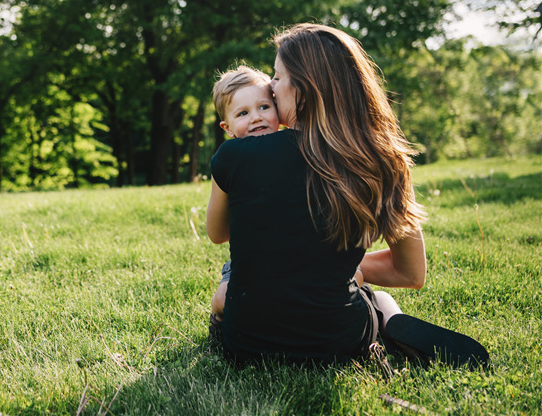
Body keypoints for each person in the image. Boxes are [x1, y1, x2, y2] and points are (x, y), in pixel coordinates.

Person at [206, 23, 489, 367]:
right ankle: (387, 318)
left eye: (277, 77)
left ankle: (379, 312)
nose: (270, 86)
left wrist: (302, 263)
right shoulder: (384, 159)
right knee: (374, 296)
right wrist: (333, 267)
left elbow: (219, 233)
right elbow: (411, 273)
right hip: (342, 340)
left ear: (304, 89)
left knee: (235, 280)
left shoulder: (235, 156)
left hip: (246, 342)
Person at [207, 65, 285, 339]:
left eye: (264, 107)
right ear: (227, 128)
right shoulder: (230, 161)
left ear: (280, 111)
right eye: (243, 113)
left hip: (292, 263)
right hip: (251, 265)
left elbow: (217, 235)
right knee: (222, 299)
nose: (256, 118)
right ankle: (218, 320)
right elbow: (217, 234)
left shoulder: (294, 152)